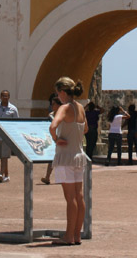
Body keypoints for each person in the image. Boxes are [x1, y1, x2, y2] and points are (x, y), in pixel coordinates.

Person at [49, 77, 88, 246]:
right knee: (79, 197)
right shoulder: (80, 108)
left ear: (63, 92)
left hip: (65, 156)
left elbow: (52, 126)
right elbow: (85, 128)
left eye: (58, 93)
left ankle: (68, 236)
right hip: (79, 155)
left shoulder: (64, 108)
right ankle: (77, 235)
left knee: (70, 198)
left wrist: (56, 138)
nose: (58, 97)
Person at [0, 89, 18, 183]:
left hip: (7, 136)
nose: (5, 97)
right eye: (3, 96)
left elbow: (16, 123)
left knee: (4, 156)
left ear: (9, 97)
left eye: (6, 96)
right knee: (1, 156)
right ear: (0, 97)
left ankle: (1, 174)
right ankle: (6, 175)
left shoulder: (13, 109)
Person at [41, 92, 61, 184]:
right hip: (53, 138)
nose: (52, 106)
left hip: (61, 138)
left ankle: (62, 177)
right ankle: (47, 177)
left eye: (54, 104)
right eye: (51, 104)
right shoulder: (51, 115)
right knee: (52, 158)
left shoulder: (62, 115)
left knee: (61, 158)